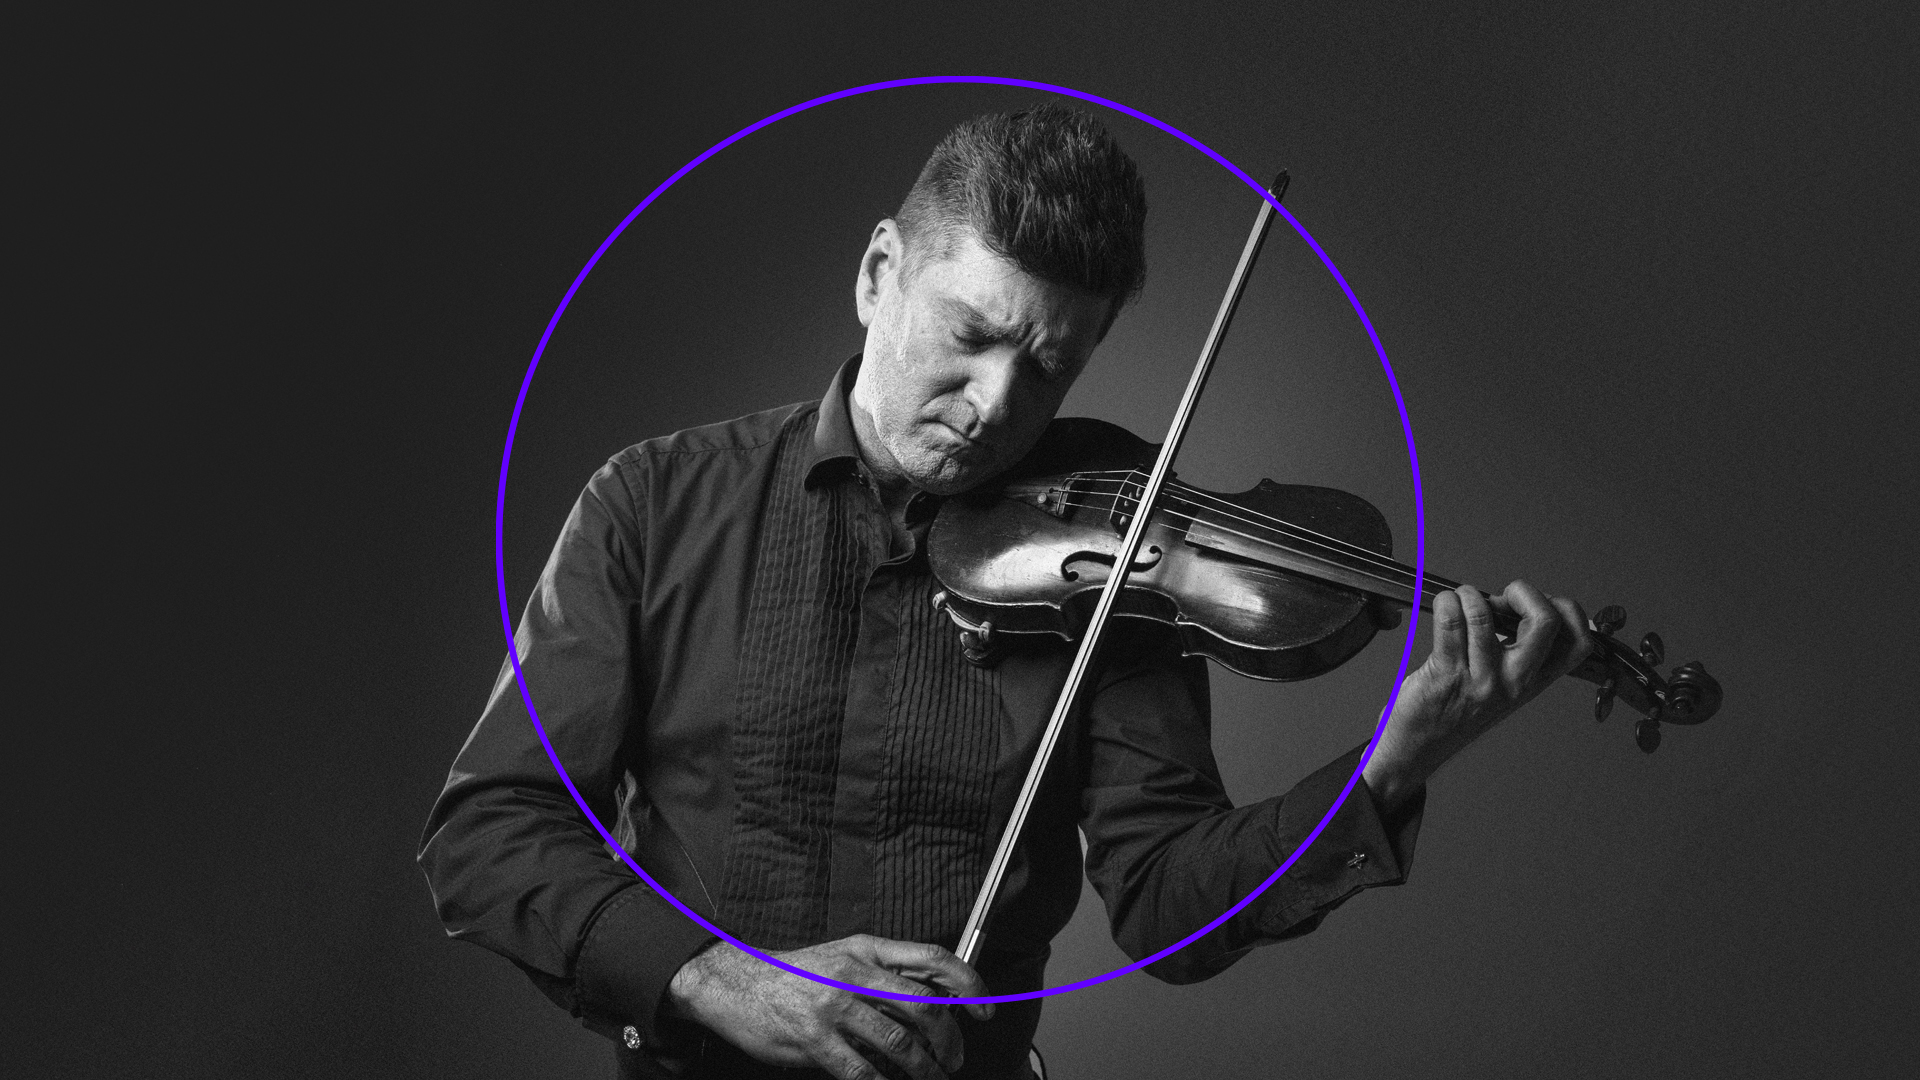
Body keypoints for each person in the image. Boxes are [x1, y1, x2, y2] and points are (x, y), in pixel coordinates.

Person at [419, 105, 1591, 1080]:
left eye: (1049, 365)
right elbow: (486, 832)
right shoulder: (655, 501)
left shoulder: (1118, 544)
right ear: (881, 274)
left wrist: (1395, 765)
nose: (992, 404)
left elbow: (1167, 904)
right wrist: (723, 982)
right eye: (970, 334)